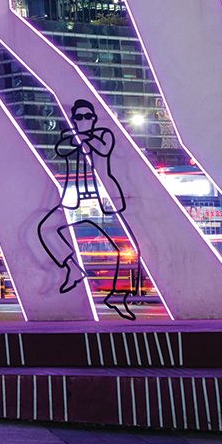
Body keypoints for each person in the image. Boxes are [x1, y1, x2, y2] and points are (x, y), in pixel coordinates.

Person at [36, 99, 141, 320]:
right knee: (45, 229)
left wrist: (82, 137)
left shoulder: (104, 134)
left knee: (123, 249)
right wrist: (77, 138)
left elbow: (103, 149)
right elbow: (60, 149)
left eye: (87, 116)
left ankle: (118, 298)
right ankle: (72, 269)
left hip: (103, 202)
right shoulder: (68, 138)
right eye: (79, 117)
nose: (83, 121)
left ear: (94, 118)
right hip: (75, 202)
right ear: (73, 119)